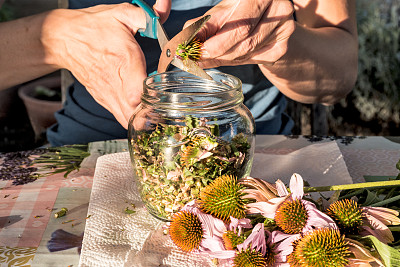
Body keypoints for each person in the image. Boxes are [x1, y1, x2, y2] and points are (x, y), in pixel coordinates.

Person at [0, 0, 358, 146]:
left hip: (252, 151)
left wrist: (280, 42)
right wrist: (52, 38)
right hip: (87, 151)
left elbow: (340, 72)